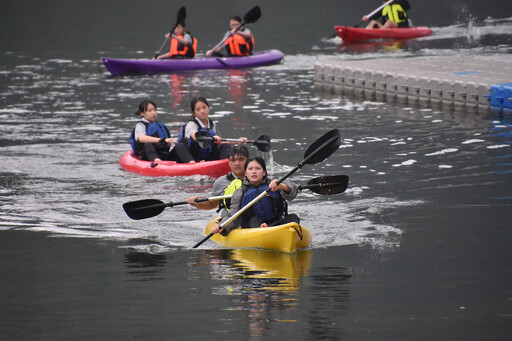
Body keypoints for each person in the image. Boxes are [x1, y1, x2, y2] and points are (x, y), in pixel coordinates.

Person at [210, 157, 300, 236]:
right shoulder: (240, 192)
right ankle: (262, 229)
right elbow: (233, 215)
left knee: (294, 217)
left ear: (264, 172)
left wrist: (281, 186)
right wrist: (222, 226)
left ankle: (272, 231)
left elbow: (292, 192)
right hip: (253, 227)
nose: (254, 171)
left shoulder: (275, 184)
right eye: (250, 169)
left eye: (258, 168)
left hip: (277, 223)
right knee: (254, 220)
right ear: (245, 173)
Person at [178, 97, 248, 161]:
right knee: (179, 146)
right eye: (198, 110)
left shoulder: (212, 124)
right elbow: (195, 136)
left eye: (204, 107)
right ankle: (193, 164)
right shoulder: (191, 124)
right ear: (194, 113)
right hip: (193, 157)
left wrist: (238, 141)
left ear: (208, 108)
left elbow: (219, 143)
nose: (202, 111)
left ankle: (223, 164)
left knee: (225, 146)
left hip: (208, 157)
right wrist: (212, 137)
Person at [186, 145, 249, 212]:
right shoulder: (221, 182)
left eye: (241, 159)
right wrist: (197, 203)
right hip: (230, 217)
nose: (237, 163)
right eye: (232, 160)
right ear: (228, 162)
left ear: (248, 161)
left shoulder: (256, 178)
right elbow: (212, 204)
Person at [130, 100, 195, 163]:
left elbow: (168, 140)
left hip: (164, 154)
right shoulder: (140, 125)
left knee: (180, 145)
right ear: (142, 113)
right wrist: (161, 140)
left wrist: (174, 140)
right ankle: (157, 162)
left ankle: (192, 162)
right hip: (149, 156)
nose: (153, 113)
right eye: (149, 111)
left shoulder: (159, 124)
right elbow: (142, 138)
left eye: (155, 110)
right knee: (148, 144)